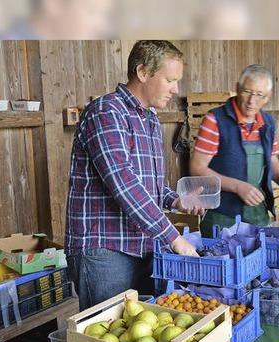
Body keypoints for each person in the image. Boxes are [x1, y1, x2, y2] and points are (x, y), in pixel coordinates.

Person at [65, 40, 202, 310]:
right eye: (170, 80)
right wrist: (174, 238)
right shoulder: (106, 112)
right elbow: (124, 183)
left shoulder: (149, 117)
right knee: (107, 341)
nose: (176, 89)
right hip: (105, 250)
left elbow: (150, 184)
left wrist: (175, 201)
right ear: (142, 72)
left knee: (138, 338)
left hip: (142, 245)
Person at [190, 64, 279, 235]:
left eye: (259, 95)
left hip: (257, 215)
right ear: (237, 88)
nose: (251, 101)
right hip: (221, 218)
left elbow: (271, 160)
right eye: (247, 92)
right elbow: (197, 169)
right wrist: (237, 187)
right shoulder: (215, 120)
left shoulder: (268, 123)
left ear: (268, 97)